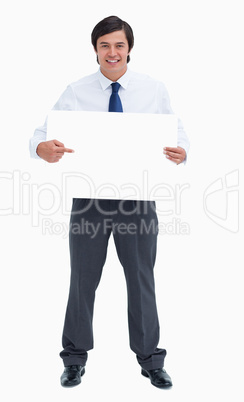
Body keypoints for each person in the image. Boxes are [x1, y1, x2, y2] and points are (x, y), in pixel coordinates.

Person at [30, 16, 189, 389]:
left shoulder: (153, 89)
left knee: (141, 279)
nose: (112, 52)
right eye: (105, 45)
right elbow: (42, 132)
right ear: (96, 50)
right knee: (83, 280)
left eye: (119, 45)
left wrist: (183, 152)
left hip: (137, 199)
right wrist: (42, 147)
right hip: (90, 200)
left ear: (129, 48)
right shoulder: (76, 90)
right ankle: (74, 359)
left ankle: (151, 360)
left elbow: (177, 130)